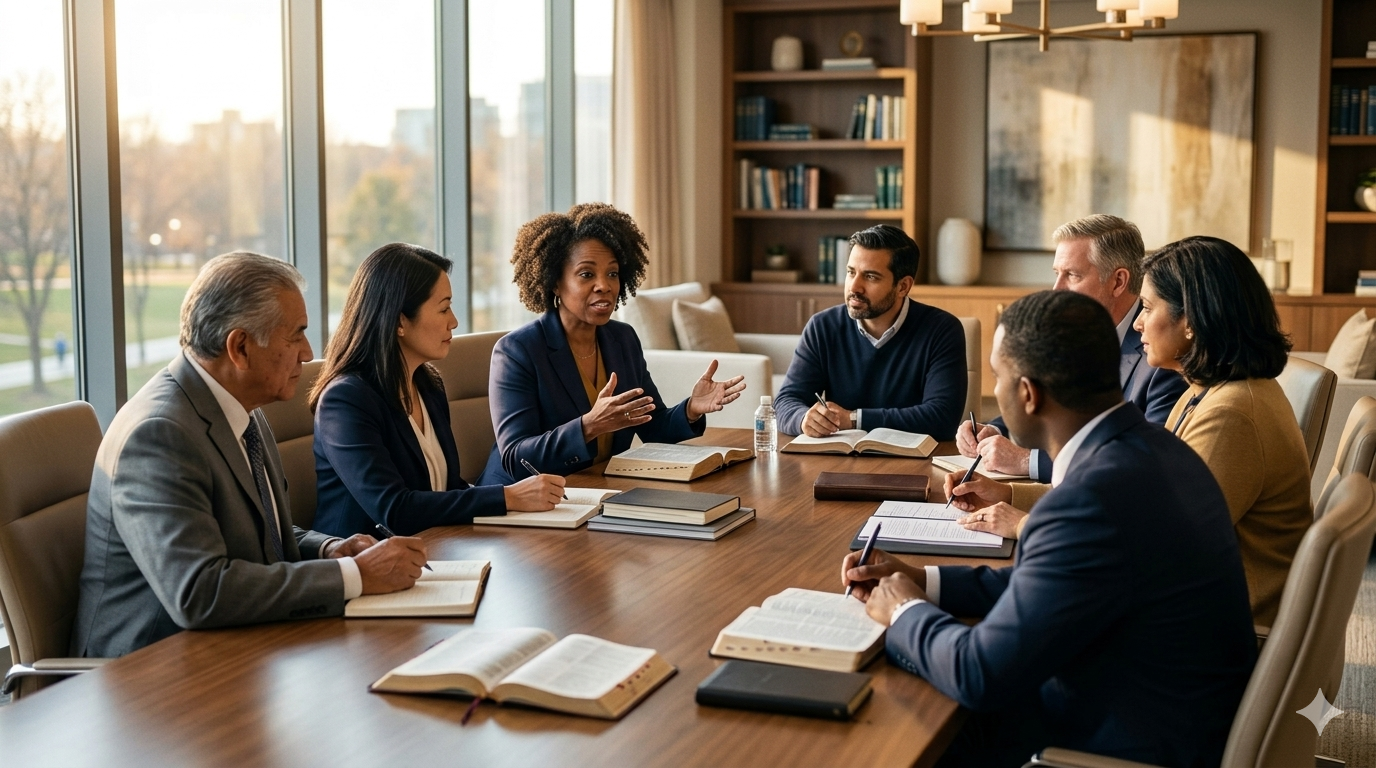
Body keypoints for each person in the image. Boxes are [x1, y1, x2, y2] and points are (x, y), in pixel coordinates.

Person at [844, 290, 1255, 767]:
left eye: (997, 378)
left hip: (1126, 743)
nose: (992, 393)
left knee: (891, 728)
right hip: (1165, 708)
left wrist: (903, 611)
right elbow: (1042, 583)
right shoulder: (1150, 449)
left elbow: (979, 672)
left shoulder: (1092, 498)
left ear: (1028, 394)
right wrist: (924, 581)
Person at [72, 252, 427, 658]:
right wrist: (353, 576)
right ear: (240, 347)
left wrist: (329, 550)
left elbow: (261, 534)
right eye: (295, 335)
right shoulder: (158, 434)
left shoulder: (240, 409)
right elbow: (199, 591)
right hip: (147, 674)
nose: (309, 353)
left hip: (232, 646)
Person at [950, 237, 1312, 626]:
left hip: (1220, 626)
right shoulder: (1210, 393)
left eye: (1149, 307)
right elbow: (1138, 505)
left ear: (1190, 321)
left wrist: (1024, 523)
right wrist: (1009, 493)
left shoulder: (1232, 415)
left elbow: (1158, 542)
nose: (1137, 321)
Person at [311, 243, 566, 538]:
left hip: (435, 548)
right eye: (444, 308)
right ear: (399, 321)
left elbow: (448, 487)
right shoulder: (345, 400)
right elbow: (394, 509)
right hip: (364, 567)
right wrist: (508, 497)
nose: (454, 321)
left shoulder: (428, 384)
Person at [478, 203, 745, 484]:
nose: (604, 285)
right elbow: (516, 458)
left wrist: (692, 408)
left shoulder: (622, 339)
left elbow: (654, 428)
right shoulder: (518, 351)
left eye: (613, 273)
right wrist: (588, 426)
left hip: (595, 490)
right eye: (586, 274)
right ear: (555, 283)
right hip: (522, 501)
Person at [956, 215, 1186, 480]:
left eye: (1072, 275)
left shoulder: (1162, 353)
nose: (1057, 289)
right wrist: (994, 431)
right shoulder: (1070, 332)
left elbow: (1143, 460)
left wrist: (1027, 461)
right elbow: (1039, 401)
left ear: (1118, 282)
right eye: (1057, 274)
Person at [773, 224, 966, 440]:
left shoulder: (941, 330)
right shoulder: (823, 326)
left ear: (903, 286)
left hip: (915, 464)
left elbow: (943, 417)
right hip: (839, 462)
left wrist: (855, 419)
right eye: (850, 272)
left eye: (871, 277)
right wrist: (803, 419)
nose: (854, 287)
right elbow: (785, 402)